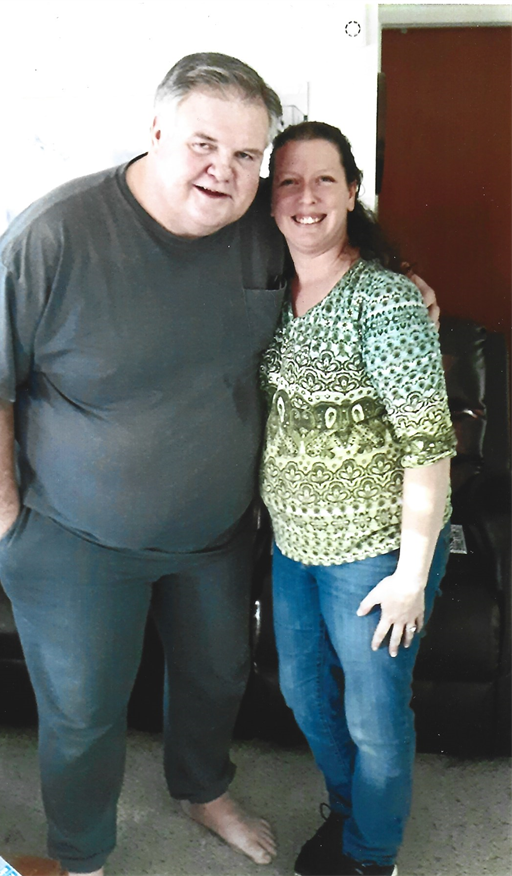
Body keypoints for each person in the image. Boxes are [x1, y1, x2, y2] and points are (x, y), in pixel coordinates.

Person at [0, 53, 439, 876]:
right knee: (80, 713)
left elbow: (335, 252)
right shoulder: (52, 237)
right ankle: (81, 856)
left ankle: (201, 788)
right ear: (156, 132)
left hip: (217, 537)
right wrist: (7, 526)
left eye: (249, 155)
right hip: (76, 539)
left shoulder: (259, 227)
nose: (226, 170)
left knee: (216, 678)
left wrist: (406, 283)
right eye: (204, 144)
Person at [259, 122, 456, 876]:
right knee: (306, 699)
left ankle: (372, 858)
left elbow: (426, 445)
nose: (306, 197)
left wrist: (409, 577)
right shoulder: (268, 284)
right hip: (292, 544)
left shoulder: (385, 300)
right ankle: (349, 817)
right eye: (288, 182)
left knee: (373, 718)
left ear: (351, 190)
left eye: (324, 180)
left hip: (373, 552)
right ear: (269, 198)